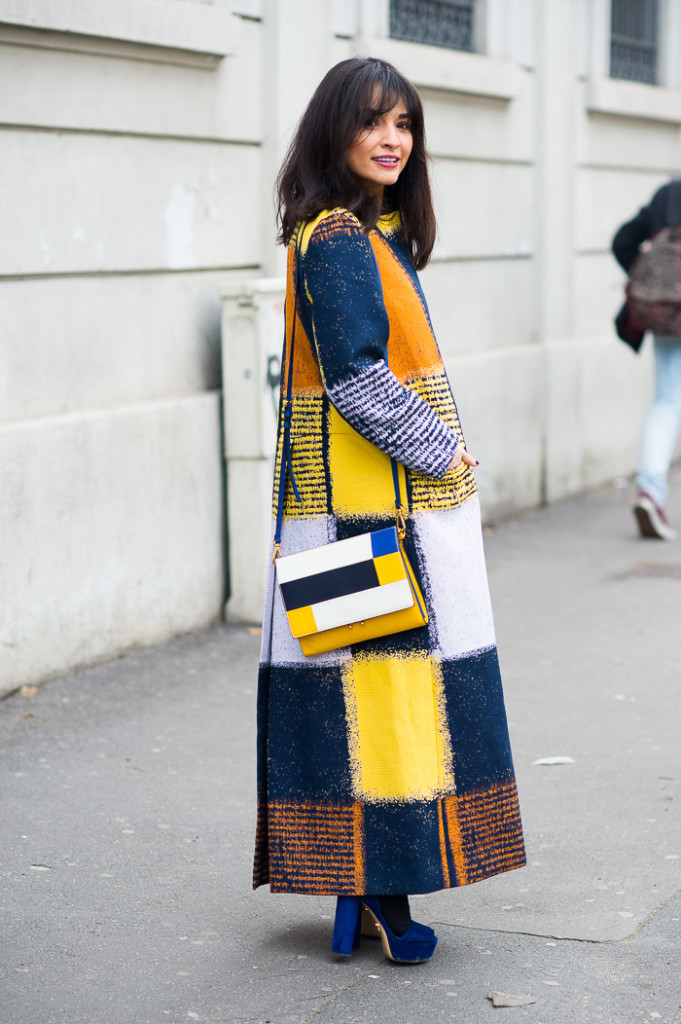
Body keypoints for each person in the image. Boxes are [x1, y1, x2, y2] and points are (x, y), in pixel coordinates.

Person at [253, 56, 526, 964]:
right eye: (371, 121)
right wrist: (443, 450)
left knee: (374, 703)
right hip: (370, 515)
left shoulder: (365, 236)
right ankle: (376, 892)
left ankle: (371, 889)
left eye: (403, 123)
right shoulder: (336, 238)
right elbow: (358, 380)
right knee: (382, 702)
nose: (391, 139)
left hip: (362, 511)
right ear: (333, 132)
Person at [613, 179, 681, 541]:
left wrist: (655, 287)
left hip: (669, 320)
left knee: (667, 403)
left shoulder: (670, 194)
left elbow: (622, 241)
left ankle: (650, 493)